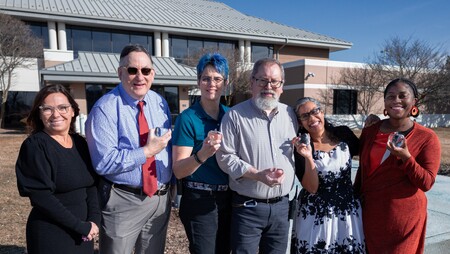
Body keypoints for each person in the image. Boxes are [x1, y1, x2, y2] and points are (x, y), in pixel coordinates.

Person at [85, 44, 173, 254]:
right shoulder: (104, 109)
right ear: (120, 72)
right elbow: (103, 162)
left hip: (160, 198)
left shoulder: (159, 102)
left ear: (153, 73)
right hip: (124, 201)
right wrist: (146, 152)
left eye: (146, 70)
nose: (139, 77)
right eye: (132, 70)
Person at [216, 58, 298, 253]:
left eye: (274, 81)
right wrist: (257, 174)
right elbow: (225, 157)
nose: (268, 86)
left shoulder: (291, 115)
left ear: (282, 86)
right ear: (252, 82)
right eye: (262, 80)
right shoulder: (234, 116)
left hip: (282, 208)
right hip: (248, 209)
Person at [354, 78, 441, 253]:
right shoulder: (371, 130)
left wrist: (406, 158)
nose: (396, 101)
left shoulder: (427, 138)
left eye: (402, 96)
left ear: (414, 102)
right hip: (370, 214)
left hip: (404, 221)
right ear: (385, 101)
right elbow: (363, 172)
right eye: (391, 96)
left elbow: (426, 183)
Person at [15, 84, 100, 253]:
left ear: (73, 111)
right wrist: (79, 226)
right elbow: (41, 197)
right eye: (47, 109)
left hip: (84, 234)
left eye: (63, 107)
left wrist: (94, 220)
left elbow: (90, 185)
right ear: (39, 114)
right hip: (52, 235)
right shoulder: (35, 146)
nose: (56, 114)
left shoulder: (80, 143)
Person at [172, 53, 231, 254]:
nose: (211, 83)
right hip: (200, 198)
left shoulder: (232, 116)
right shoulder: (188, 118)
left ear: (226, 82)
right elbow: (179, 170)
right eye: (205, 78)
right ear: (198, 81)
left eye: (217, 78)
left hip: (231, 198)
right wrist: (202, 154)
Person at [290, 97, 365, 253]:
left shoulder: (343, 133)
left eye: (315, 111)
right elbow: (312, 187)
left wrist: (373, 125)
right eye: (305, 116)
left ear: (322, 112)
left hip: (347, 211)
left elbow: (368, 153)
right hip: (315, 214)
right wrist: (309, 157)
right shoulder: (300, 147)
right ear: (300, 122)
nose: (312, 118)